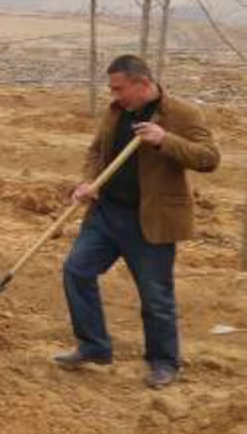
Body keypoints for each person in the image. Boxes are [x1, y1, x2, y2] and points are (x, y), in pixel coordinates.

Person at [55, 54, 220, 390]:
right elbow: (96, 152)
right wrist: (88, 182)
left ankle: (163, 362)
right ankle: (93, 346)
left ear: (143, 83)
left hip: (150, 221)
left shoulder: (182, 114)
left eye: (119, 88)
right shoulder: (116, 112)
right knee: (76, 271)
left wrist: (164, 140)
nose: (114, 96)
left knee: (155, 296)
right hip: (105, 216)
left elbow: (209, 158)